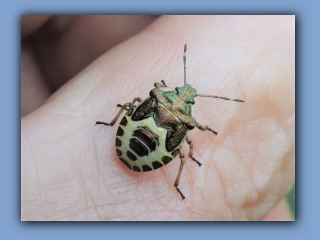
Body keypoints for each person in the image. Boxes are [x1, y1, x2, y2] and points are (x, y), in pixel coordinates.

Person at [21, 15, 295, 221]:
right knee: (186, 152)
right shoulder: (189, 122)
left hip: (130, 138)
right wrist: (205, 129)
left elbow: (135, 103)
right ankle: (176, 183)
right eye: (182, 93)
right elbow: (189, 143)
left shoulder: (159, 96)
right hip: (152, 150)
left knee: (131, 106)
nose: (184, 94)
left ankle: (111, 124)